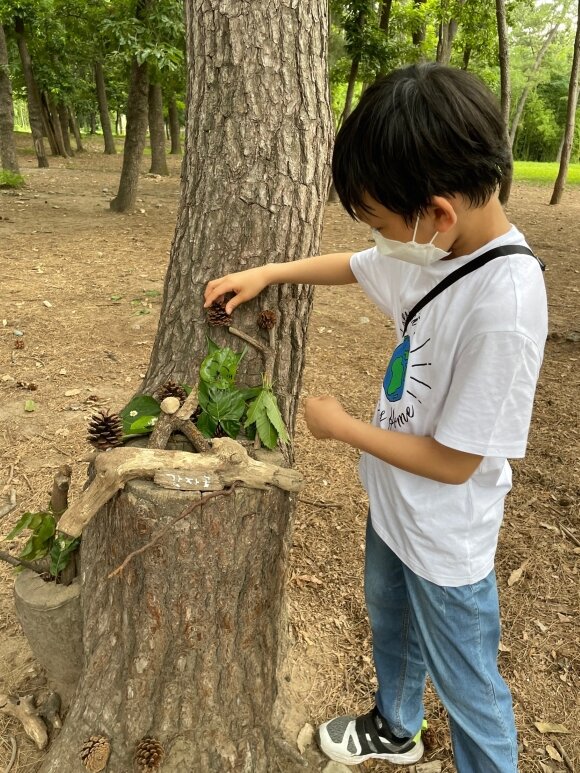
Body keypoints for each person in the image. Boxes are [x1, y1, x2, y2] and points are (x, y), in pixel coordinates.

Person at [204, 63, 547, 772]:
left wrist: (342, 427)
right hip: (395, 512)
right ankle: (396, 725)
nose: (379, 238)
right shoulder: (434, 249)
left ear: (438, 211)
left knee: (471, 685)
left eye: (384, 222)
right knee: (391, 621)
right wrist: (269, 272)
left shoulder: (505, 307)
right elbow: (359, 264)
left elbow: (457, 462)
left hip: (447, 543)